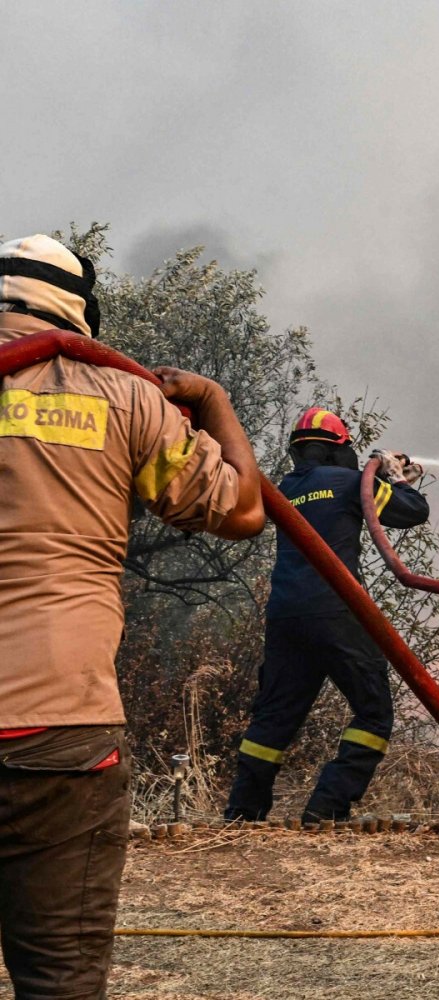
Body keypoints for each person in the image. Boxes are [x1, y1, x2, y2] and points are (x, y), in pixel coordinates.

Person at [0, 234, 265, 999]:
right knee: (60, 983)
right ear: (78, 311)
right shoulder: (125, 398)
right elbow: (243, 511)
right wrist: (213, 403)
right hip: (61, 733)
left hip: (58, 730)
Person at [225, 408, 428, 823]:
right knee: (374, 713)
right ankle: (327, 807)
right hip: (338, 611)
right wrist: (395, 476)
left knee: (274, 718)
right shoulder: (350, 482)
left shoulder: (282, 489)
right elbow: (412, 511)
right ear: (339, 449)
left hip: (286, 616)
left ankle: (243, 813)